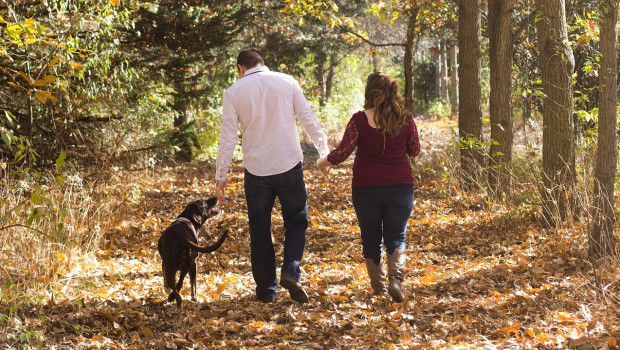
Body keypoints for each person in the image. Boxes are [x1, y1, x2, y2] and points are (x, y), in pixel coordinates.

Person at [215, 48, 329, 304]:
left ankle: (266, 292)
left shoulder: (233, 92)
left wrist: (221, 175)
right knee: (296, 222)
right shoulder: (287, 81)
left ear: (240, 68)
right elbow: (308, 119)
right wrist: (324, 152)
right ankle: (290, 270)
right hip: (289, 165)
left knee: (259, 230)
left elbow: (228, 137)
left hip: (256, 172)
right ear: (262, 63)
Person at [317, 72, 420, 302]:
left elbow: (343, 152)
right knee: (397, 237)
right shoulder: (405, 118)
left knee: (371, 238)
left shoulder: (359, 120)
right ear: (393, 91)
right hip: (400, 187)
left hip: (366, 187)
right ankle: (396, 280)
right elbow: (414, 150)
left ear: (369, 92)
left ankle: (379, 289)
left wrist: (322, 162)